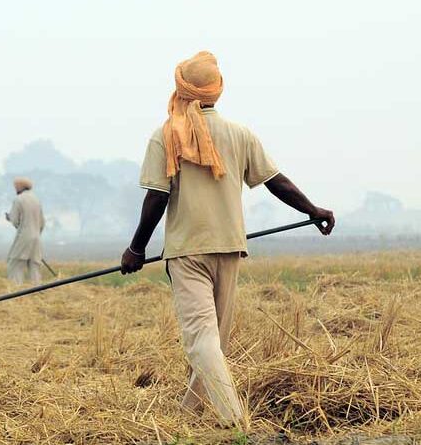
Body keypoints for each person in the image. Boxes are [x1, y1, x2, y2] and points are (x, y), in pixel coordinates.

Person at [120, 51, 335, 425]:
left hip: (188, 251)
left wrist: (136, 248)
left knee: (203, 341)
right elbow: (275, 181)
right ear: (216, 91)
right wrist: (311, 209)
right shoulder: (239, 134)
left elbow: (156, 196)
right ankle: (189, 419)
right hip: (230, 248)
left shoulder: (166, 134)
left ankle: (234, 422)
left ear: (181, 89)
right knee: (212, 342)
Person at [5, 177, 46, 285]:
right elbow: (42, 222)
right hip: (36, 237)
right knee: (34, 264)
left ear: (19, 187)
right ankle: (37, 288)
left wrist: (9, 218)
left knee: (15, 262)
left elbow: (14, 220)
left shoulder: (19, 199)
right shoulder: (36, 200)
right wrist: (36, 233)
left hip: (24, 236)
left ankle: (15, 289)